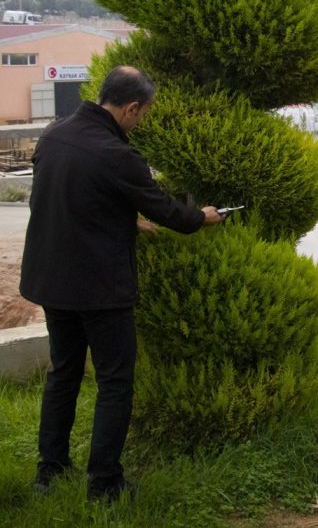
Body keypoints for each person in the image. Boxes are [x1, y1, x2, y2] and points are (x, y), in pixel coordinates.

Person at [20, 66, 225, 502]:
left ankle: (49, 470)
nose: (141, 121)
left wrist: (126, 219)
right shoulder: (117, 154)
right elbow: (169, 212)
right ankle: (105, 484)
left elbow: (70, 196)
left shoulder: (54, 135)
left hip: (52, 281)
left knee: (64, 373)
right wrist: (200, 217)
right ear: (131, 108)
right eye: (143, 114)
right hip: (99, 288)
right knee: (115, 382)